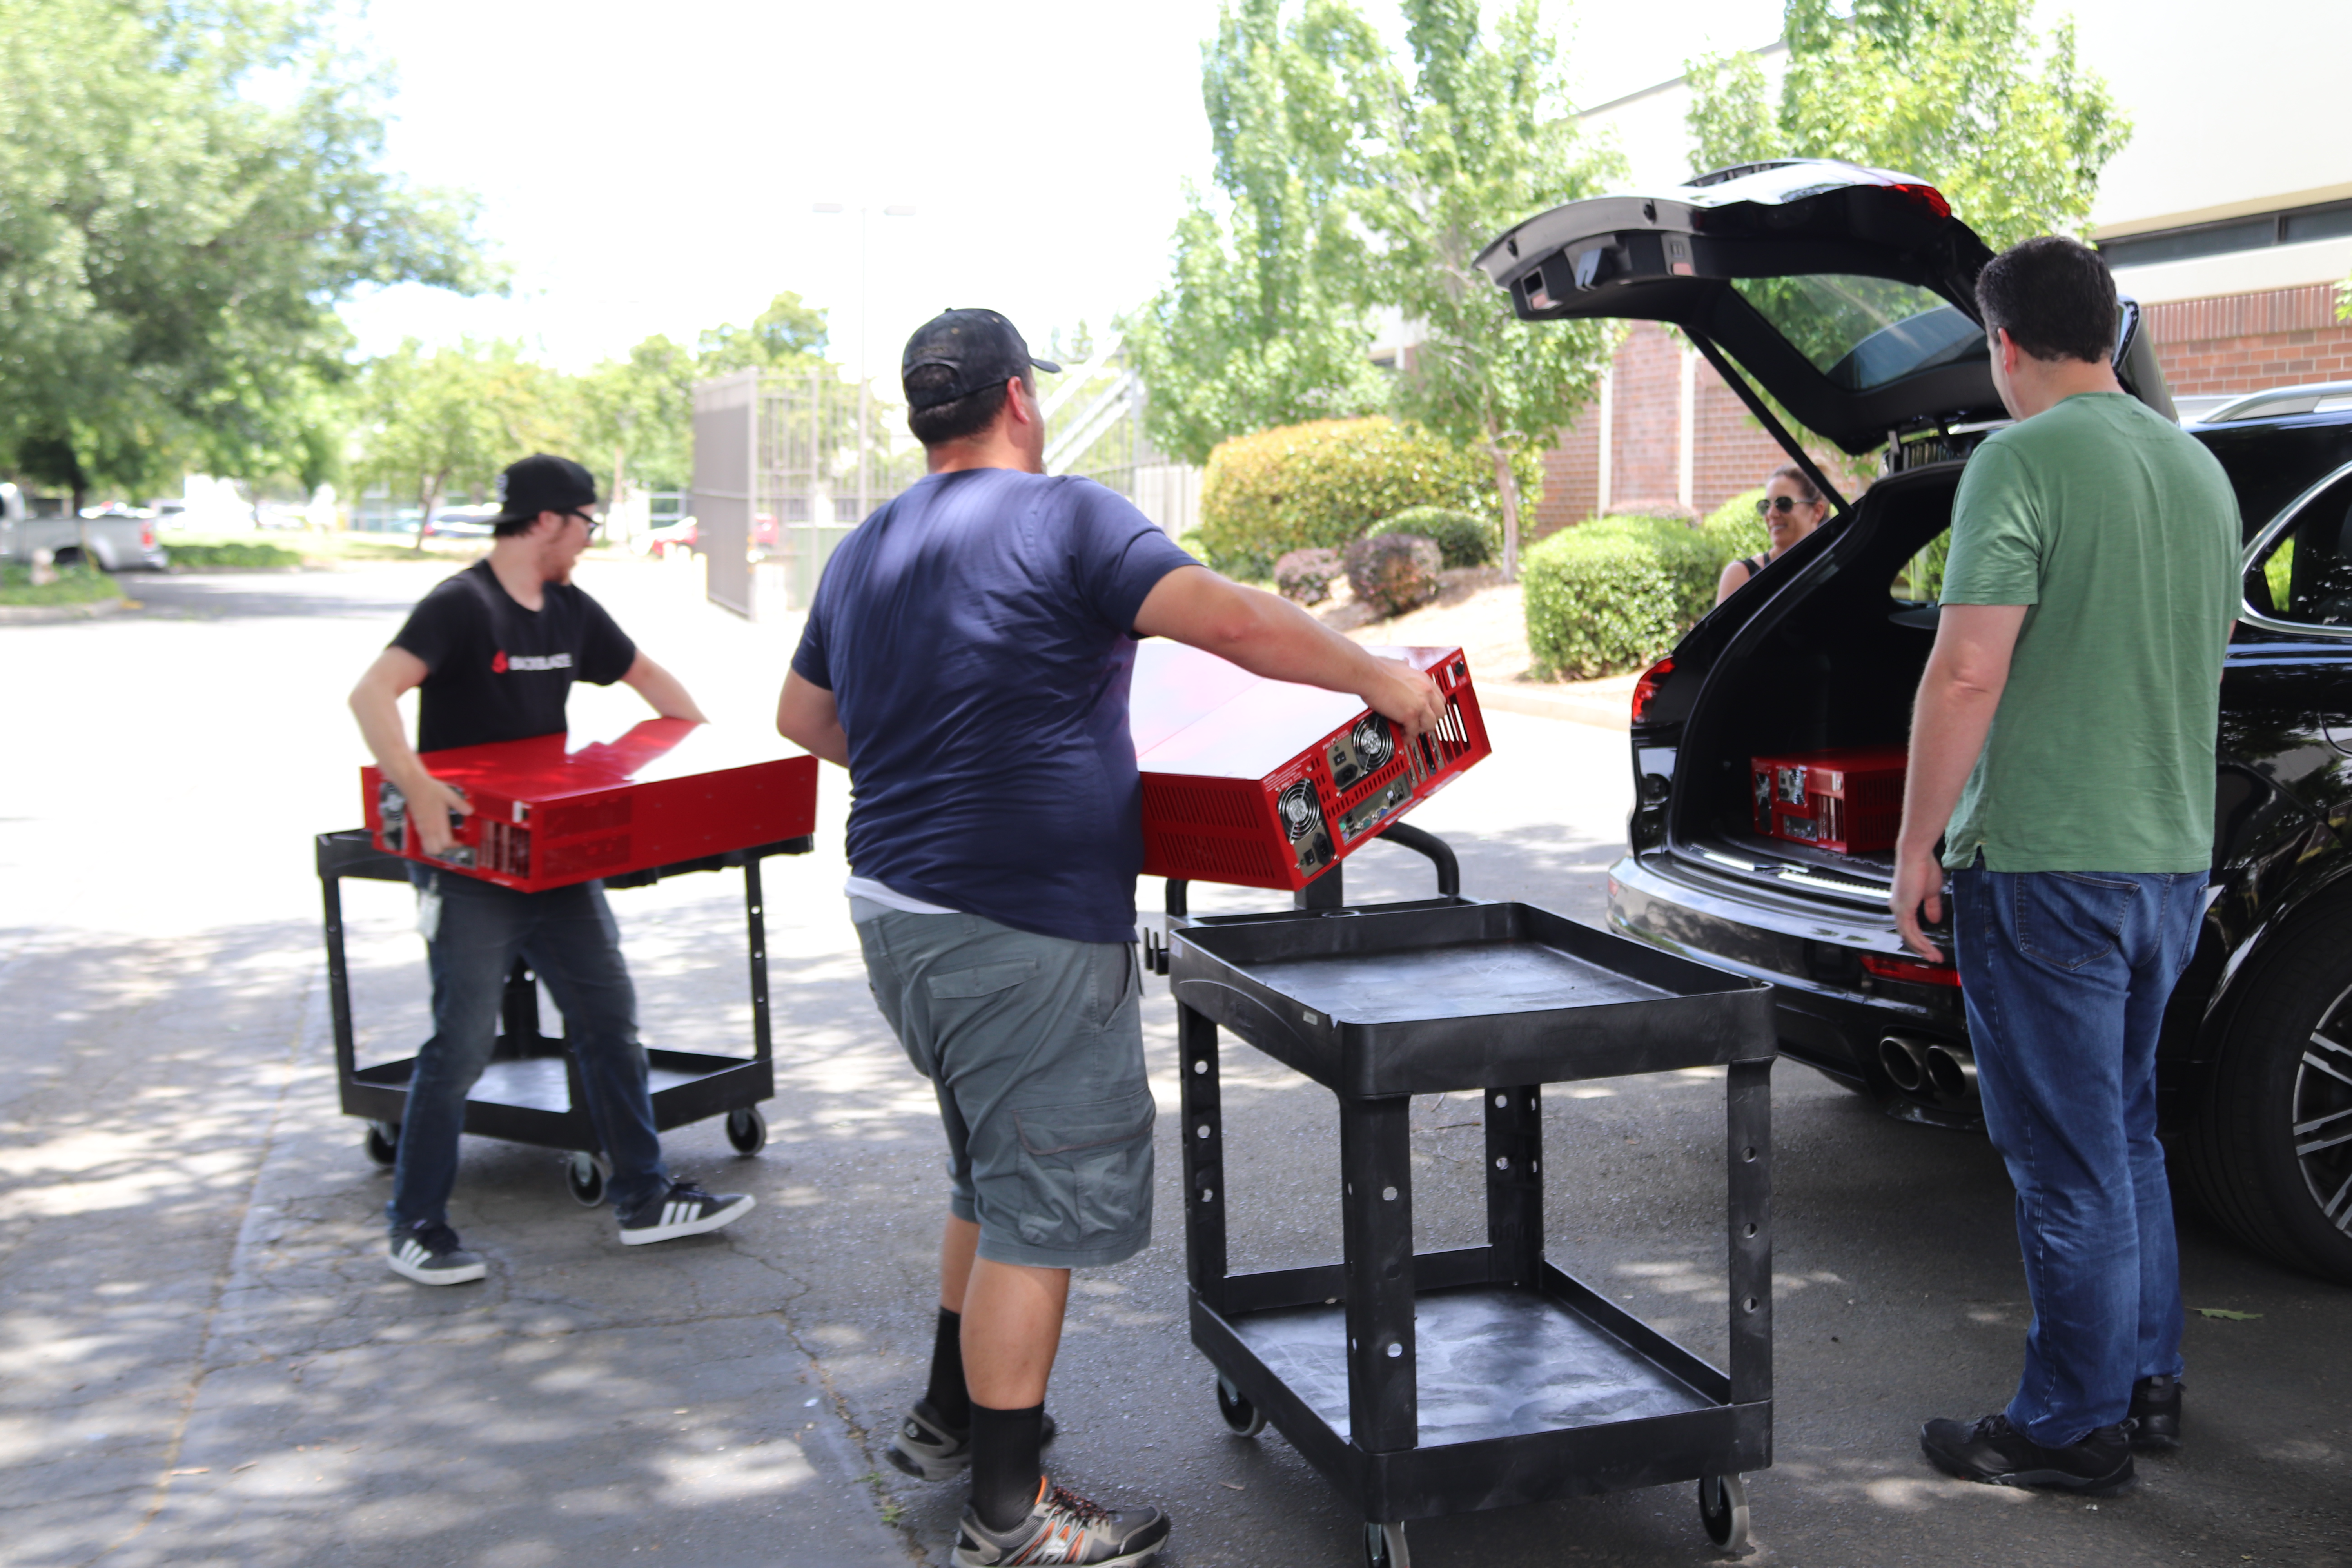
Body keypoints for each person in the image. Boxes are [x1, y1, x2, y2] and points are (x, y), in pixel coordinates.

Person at [775, 309, 1444, 1568]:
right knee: (1039, 1202)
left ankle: (944, 1419)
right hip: (1014, 928)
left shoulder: (866, 546)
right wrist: (1372, 677)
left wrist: (938, 760)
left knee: (989, 1169)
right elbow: (1228, 620)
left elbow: (803, 712)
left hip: (899, 918)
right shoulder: (1063, 516)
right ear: (1018, 399)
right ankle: (1009, 1516)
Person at [1889, 238, 2239, 1492]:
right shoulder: (2196, 469)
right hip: (2163, 863)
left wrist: (1915, 841)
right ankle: (2142, 1385)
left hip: (2045, 865)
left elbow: (1968, 667)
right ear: (2104, 328)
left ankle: (2065, 1427)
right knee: (2123, 1135)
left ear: (2000, 344)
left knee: (2064, 1159)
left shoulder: (2016, 460)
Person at [348, 454, 755, 1286]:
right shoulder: (464, 605)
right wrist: (419, 789)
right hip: (471, 866)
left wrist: (703, 762)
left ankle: (643, 1197)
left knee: (608, 1020)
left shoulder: (570, 609)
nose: (589, 539)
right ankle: (416, 1225)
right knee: (459, 1045)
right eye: (586, 522)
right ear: (545, 522)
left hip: (558, 865)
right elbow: (372, 693)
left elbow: (654, 684)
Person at [1714, 464, 1829, 606]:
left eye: (1784, 504)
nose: (1771, 514)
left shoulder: (1835, 567)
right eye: (1766, 505)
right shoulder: (1742, 575)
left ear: (1818, 511)